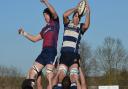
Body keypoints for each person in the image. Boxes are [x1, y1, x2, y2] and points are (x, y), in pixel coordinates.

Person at [19, 0, 60, 89]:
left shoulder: (55, 22)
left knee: (49, 75)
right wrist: (24, 33)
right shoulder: (44, 29)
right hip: (43, 52)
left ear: (50, 14)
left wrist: (46, 2)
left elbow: (54, 12)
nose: (44, 17)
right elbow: (34, 39)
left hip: (51, 51)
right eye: (43, 16)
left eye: (45, 15)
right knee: (31, 72)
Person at [57, 1, 90, 89]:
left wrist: (88, 12)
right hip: (64, 54)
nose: (77, 18)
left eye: (78, 17)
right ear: (72, 17)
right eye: (75, 16)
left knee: (73, 77)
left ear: (80, 19)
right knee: (60, 76)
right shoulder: (67, 23)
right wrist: (76, 8)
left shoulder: (80, 27)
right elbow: (64, 15)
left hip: (73, 55)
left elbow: (86, 25)